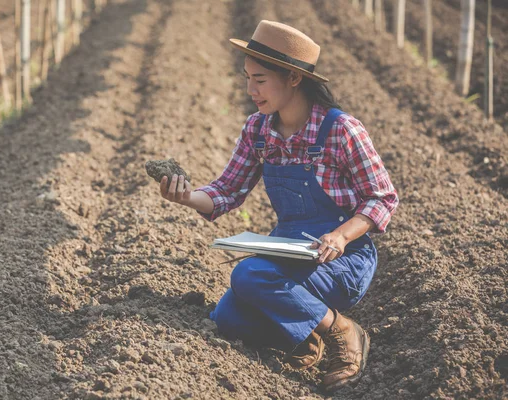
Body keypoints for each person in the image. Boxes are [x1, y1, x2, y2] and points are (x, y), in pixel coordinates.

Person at [158, 20, 398, 392]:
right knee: (227, 318)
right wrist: (185, 196)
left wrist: (339, 235)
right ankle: (307, 339)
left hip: (342, 258)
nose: (250, 90)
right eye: (247, 78)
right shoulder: (258, 130)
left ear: (293, 78)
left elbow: (382, 196)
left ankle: (343, 331)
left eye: (260, 79)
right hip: (289, 248)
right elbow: (227, 190)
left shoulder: (340, 129)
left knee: (249, 276)